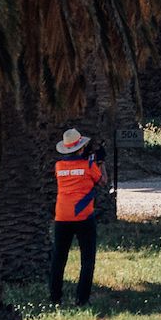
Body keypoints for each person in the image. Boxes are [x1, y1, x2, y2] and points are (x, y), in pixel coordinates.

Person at [49, 127, 105, 305]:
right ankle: (82, 299)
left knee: (59, 258)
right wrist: (100, 162)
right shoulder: (89, 166)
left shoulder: (58, 167)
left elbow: (70, 171)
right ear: (81, 148)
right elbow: (102, 181)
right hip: (83, 217)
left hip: (62, 217)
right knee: (87, 259)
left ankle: (55, 298)